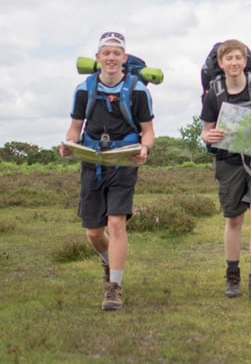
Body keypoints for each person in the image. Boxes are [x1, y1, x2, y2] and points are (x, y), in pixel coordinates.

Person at [58, 31, 155, 311]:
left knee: (116, 223)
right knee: (92, 232)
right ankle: (109, 261)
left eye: (116, 53)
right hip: (92, 162)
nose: (111, 58)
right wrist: (68, 145)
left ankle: (114, 287)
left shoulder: (138, 91)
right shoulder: (83, 89)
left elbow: (147, 132)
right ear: (98, 58)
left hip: (123, 163)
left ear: (124, 58)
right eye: (106, 53)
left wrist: (144, 149)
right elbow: (75, 128)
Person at [200, 39, 251, 303]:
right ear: (221, 63)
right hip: (229, 162)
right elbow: (205, 130)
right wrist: (208, 136)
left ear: (245, 61)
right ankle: (232, 275)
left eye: (238, 58)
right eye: (229, 59)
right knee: (234, 220)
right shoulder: (213, 93)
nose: (234, 63)